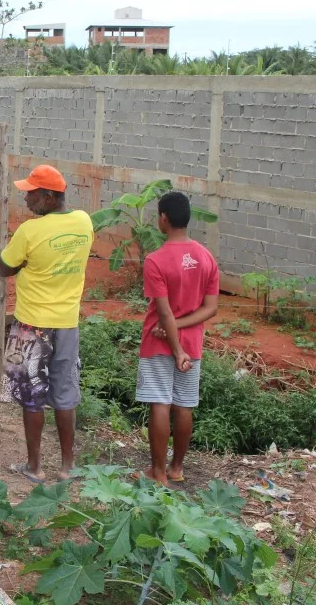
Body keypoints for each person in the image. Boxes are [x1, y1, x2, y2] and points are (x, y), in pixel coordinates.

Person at [0, 165, 94, 483]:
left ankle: (34, 466)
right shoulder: (84, 222)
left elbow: (4, 267)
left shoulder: (30, 232)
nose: (26, 198)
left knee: (30, 395)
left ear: (49, 196)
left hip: (31, 325)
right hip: (68, 324)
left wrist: (27, 262)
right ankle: (68, 467)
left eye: (31, 192)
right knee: (65, 393)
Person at [136, 191, 218, 486]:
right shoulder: (206, 257)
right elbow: (211, 308)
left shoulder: (155, 260)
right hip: (193, 343)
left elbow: (165, 313)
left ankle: (157, 473)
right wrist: (184, 343)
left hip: (160, 343)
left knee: (159, 403)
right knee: (184, 405)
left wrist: (175, 346)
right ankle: (176, 468)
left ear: (163, 219)